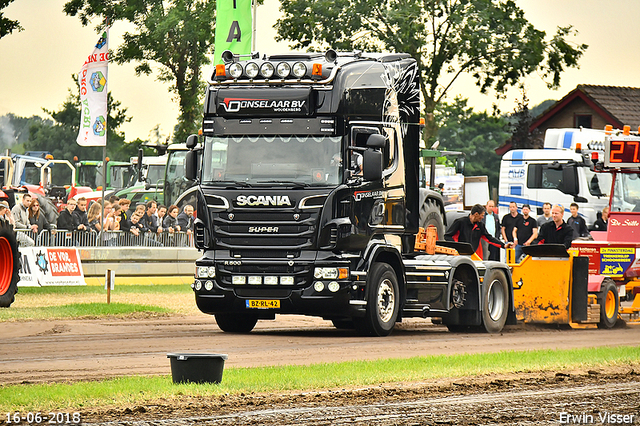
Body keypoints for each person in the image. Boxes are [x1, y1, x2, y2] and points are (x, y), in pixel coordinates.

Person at [445, 204, 513, 258]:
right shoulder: (460, 222)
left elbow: (489, 238)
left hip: (473, 256)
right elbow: (447, 236)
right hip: (459, 256)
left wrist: (503, 245)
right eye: (482, 215)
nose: (483, 217)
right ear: (476, 214)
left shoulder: (480, 225)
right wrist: (456, 248)